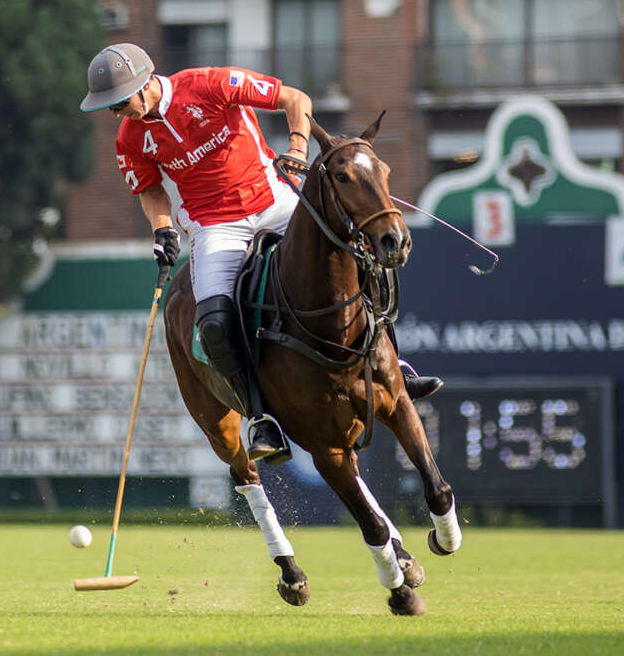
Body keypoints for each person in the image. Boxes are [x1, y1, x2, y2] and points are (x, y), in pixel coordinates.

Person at [80, 43, 442, 464]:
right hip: (215, 226)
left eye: (119, 103)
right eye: (108, 108)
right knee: (214, 321)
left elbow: (295, 99)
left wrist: (295, 149)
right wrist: (162, 229)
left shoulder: (207, 84)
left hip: (273, 199)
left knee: (360, 257)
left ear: (143, 85)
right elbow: (150, 190)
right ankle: (260, 416)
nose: (115, 113)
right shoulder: (130, 138)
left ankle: (393, 366)